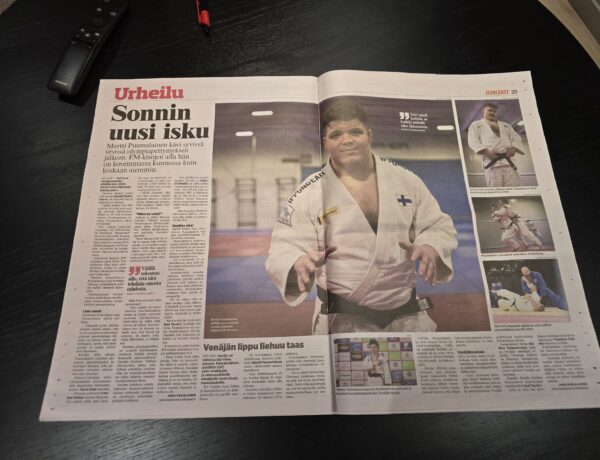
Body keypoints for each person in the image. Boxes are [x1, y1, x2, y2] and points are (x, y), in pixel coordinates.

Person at [265, 100, 458, 334]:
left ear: (369, 135)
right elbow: (284, 245)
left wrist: (431, 245)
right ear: (325, 143)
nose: (347, 140)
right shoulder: (309, 191)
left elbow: (438, 225)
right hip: (342, 321)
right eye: (336, 134)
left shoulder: (406, 180)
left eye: (356, 132)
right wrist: (297, 261)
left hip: (406, 317)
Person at [467, 103, 527, 187]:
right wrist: (486, 152)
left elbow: (516, 138)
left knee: (515, 188)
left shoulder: (506, 125)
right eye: (490, 110)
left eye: (494, 111)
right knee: (496, 189)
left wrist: (514, 148)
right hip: (491, 163)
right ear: (483, 111)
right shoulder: (476, 125)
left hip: (509, 162)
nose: (492, 113)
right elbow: (472, 140)